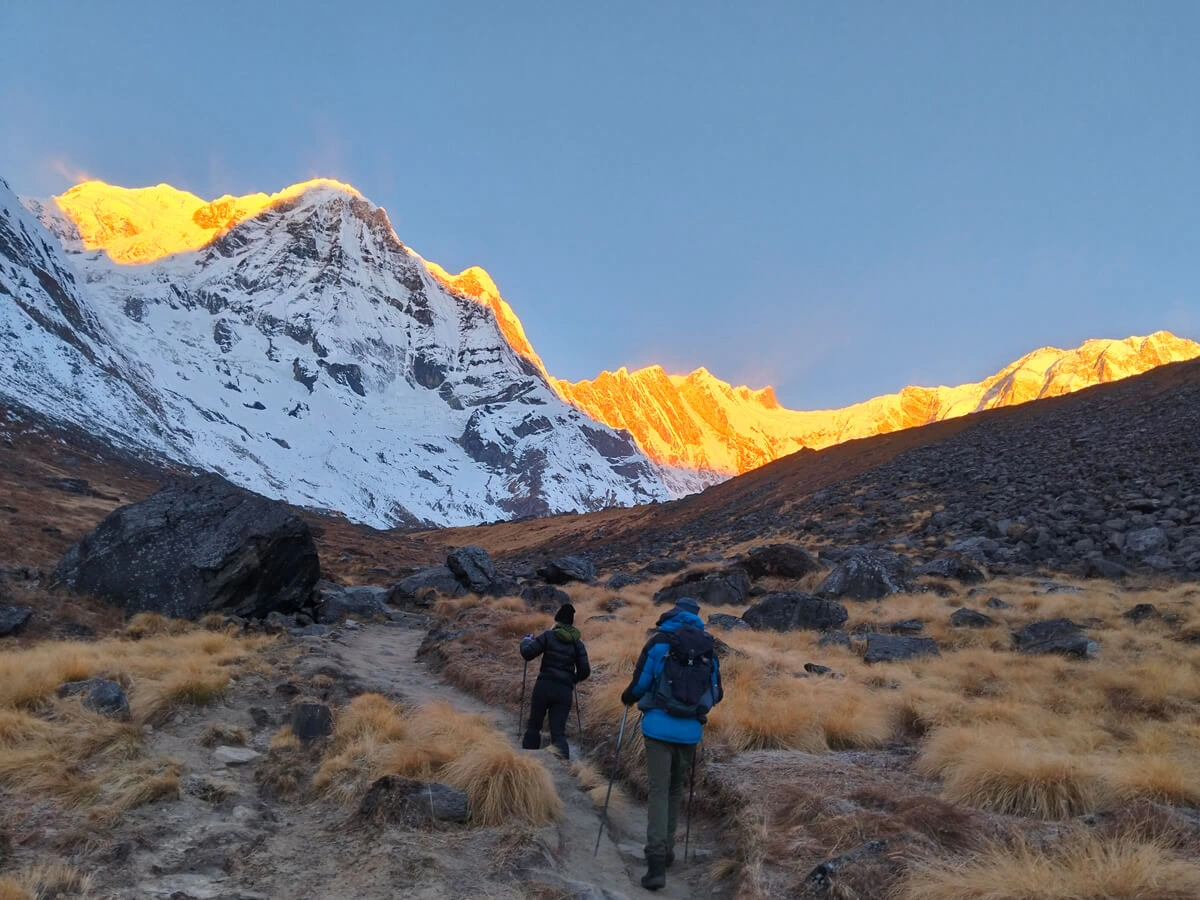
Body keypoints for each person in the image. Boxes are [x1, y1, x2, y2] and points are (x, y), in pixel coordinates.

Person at [620, 596, 722, 892]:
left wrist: (628, 698)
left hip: (657, 728)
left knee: (659, 791)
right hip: (690, 732)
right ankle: (667, 852)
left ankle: (654, 863)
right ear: (697, 617)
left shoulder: (658, 642)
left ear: (673, 613)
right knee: (675, 790)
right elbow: (717, 693)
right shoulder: (707, 648)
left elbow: (640, 684)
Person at [520, 603, 590, 759]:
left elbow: (527, 653)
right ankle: (564, 766)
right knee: (558, 732)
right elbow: (585, 671)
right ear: (571, 622)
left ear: (558, 620)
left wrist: (525, 641)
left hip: (544, 686)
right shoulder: (578, 644)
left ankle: (528, 763)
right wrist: (572, 679)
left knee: (534, 727)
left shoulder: (548, 635)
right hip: (564, 691)